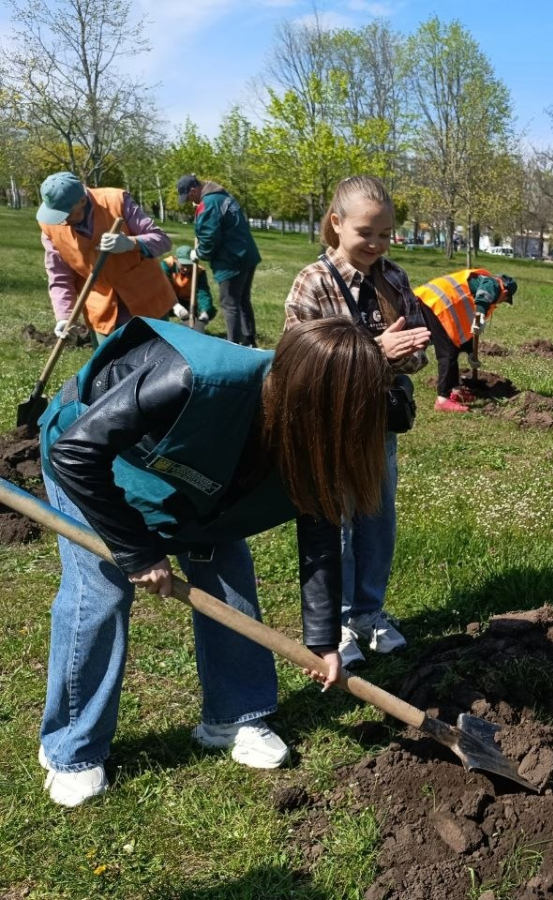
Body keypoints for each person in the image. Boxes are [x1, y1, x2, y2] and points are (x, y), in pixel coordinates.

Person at [37, 316, 393, 807]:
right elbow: (76, 453)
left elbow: (320, 535)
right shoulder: (192, 379)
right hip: (100, 463)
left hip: (200, 485)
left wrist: (322, 642)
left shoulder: (313, 435)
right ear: (303, 401)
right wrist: (138, 551)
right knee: (101, 592)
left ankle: (233, 718)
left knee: (228, 579)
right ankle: (71, 750)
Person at [284, 175, 431, 668]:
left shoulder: (394, 279)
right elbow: (297, 363)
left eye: (385, 234)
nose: (376, 244)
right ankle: (341, 621)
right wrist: (375, 351)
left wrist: (405, 353)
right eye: (365, 232)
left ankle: (369, 611)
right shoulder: (313, 282)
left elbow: (417, 353)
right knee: (340, 523)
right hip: (331, 424)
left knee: (378, 519)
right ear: (336, 223)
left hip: (379, 423)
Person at [37, 171, 176, 340]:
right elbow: (59, 277)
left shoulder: (116, 201)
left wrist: (130, 243)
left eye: (66, 213)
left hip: (148, 304)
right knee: (110, 358)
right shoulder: (50, 226)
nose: (61, 221)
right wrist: (64, 317)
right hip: (102, 312)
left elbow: (162, 241)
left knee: (157, 356)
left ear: (82, 201)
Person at [413, 268, 517, 412]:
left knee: (453, 349)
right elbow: (483, 296)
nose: (501, 302)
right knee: (448, 352)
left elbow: (465, 329)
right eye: (505, 300)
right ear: (505, 292)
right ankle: (442, 400)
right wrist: (480, 316)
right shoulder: (493, 284)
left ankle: (455, 391)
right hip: (436, 304)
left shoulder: (482, 285)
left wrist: (470, 353)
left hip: (436, 304)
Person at [177, 175, 261, 346]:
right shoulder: (223, 196)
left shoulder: (208, 203)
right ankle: (249, 340)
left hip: (231, 259)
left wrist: (198, 253)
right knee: (242, 300)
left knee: (229, 303)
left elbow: (209, 238)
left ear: (193, 190)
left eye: (189, 197)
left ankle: (233, 346)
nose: (189, 201)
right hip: (246, 255)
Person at [160, 247, 217, 326]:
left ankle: (193, 325)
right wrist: (175, 305)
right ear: (176, 260)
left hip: (187, 301)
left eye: (189, 265)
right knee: (158, 302)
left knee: (209, 310)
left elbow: (203, 293)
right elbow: (162, 288)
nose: (186, 269)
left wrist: (205, 311)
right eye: (183, 265)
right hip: (168, 299)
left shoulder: (199, 272)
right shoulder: (167, 265)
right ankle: (160, 326)